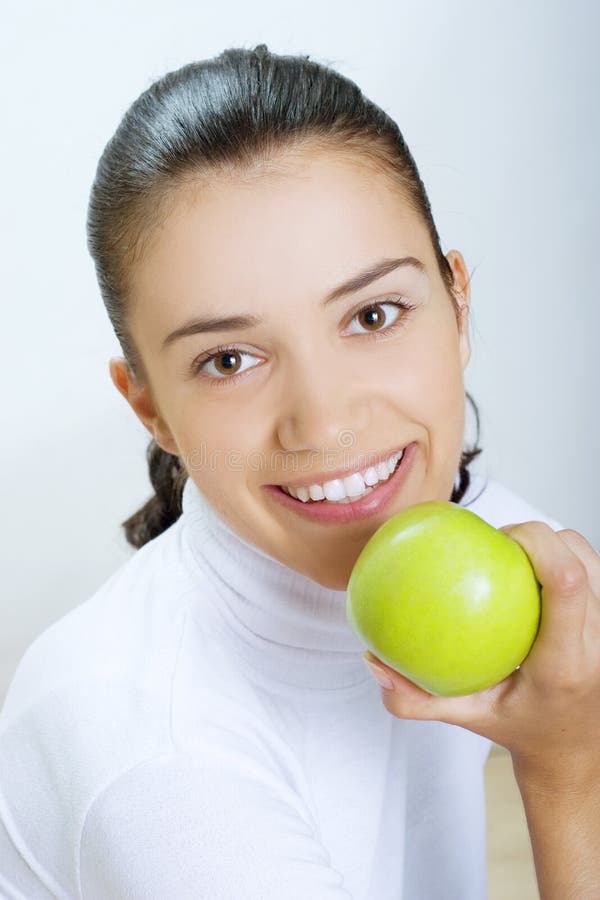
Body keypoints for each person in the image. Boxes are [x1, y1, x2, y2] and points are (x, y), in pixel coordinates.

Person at [0, 44, 598, 900]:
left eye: (374, 313)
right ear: (151, 408)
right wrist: (573, 768)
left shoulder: (482, 539)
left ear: (457, 303)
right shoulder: (153, 756)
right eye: (231, 359)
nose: (326, 421)